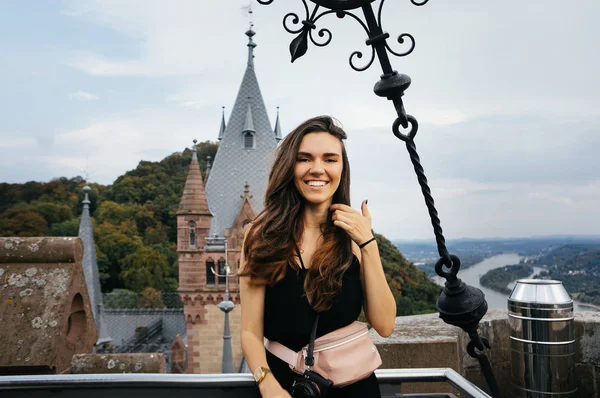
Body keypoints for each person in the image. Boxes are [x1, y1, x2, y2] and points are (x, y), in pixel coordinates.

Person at [239, 115, 396, 398]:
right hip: (284, 390)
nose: (317, 169)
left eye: (330, 159)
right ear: (290, 166)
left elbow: (384, 325)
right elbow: (250, 331)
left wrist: (368, 243)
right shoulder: (261, 237)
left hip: (354, 389)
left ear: (342, 168)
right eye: (305, 158)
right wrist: (267, 384)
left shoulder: (353, 237)